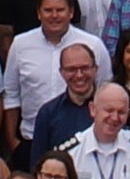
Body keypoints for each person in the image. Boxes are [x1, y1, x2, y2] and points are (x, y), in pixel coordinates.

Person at [4, 0, 110, 161]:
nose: (54, 16)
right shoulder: (20, 44)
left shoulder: (94, 45)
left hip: (85, 141)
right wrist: (13, 141)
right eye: (48, 10)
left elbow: (105, 90)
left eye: (60, 10)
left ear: (71, 12)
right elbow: (11, 94)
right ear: (39, 13)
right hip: (31, 141)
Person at [27, 42, 107, 171]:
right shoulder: (48, 113)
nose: (79, 75)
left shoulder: (110, 109)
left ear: (95, 69)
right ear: (61, 72)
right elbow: (38, 166)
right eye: (72, 69)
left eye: (85, 68)